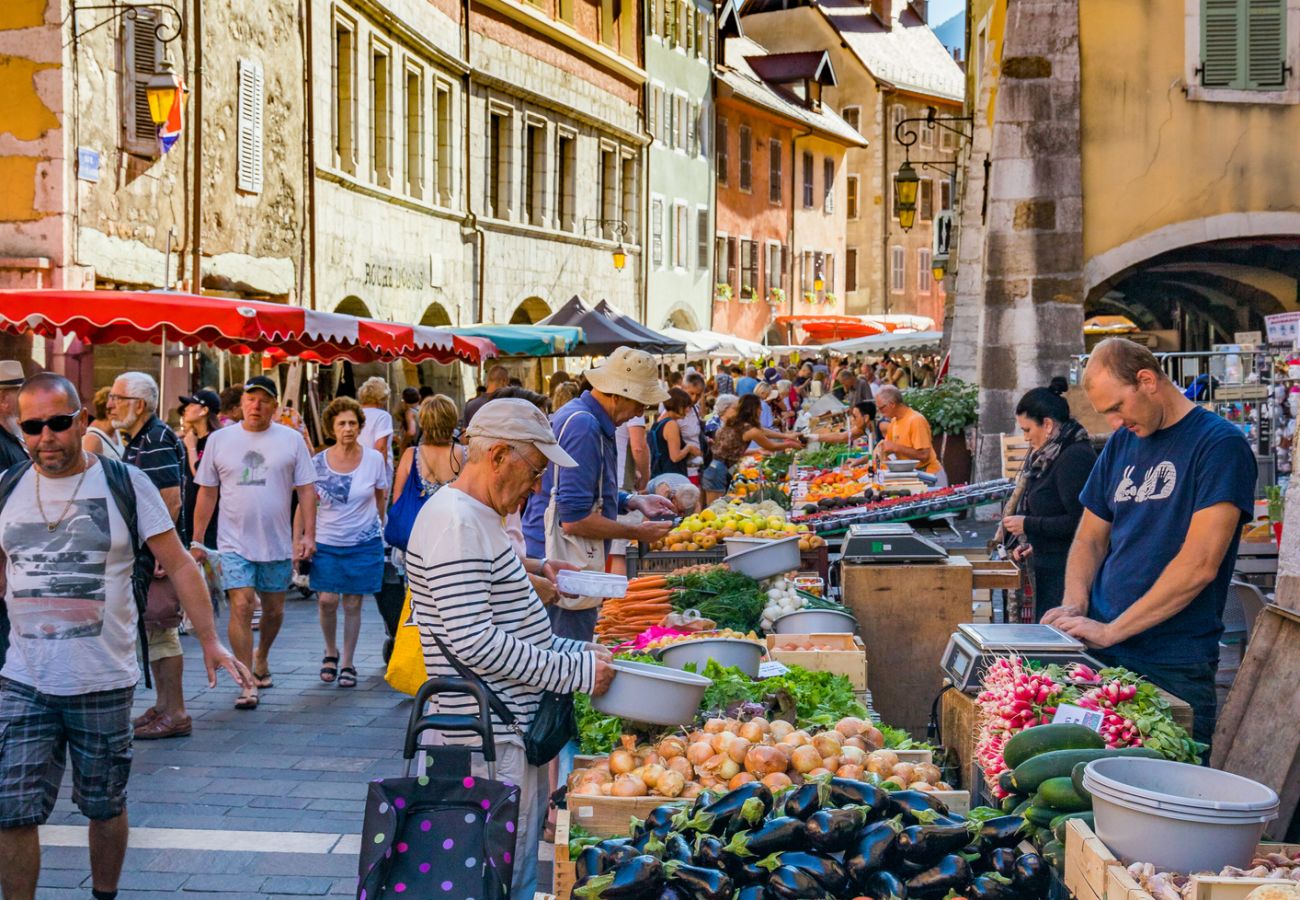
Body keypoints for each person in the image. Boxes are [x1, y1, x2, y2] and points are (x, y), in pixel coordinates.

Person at [0, 373, 248, 900]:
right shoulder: (7, 488)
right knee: (11, 809)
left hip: (103, 679)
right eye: (34, 426)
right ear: (21, 429)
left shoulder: (123, 483)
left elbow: (179, 564)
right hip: (24, 679)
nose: (47, 436)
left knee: (104, 804)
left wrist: (210, 640)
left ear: (82, 421)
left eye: (59, 423)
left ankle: (104, 895)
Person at [407, 399, 613, 900]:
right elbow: (474, 640)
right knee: (497, 879)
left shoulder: (474, 517)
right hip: (488, 745)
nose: (538, 487)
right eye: (536, 470)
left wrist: (579, 654)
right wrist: (576, 672)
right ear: (498, 455)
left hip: (500, 736)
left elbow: (508, 628)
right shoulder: (458, 522)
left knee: (503, 873)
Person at [1042, 338, 1255, 749]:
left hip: (1172, 659)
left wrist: (1111, 631)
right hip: (1103, 653)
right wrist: (1075, 605)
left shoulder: (1219, 445)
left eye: (1118, 407)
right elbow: (1089, 537)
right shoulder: (1124, 443)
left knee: (1172, 794)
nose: (1115, 423)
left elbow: (1199, 565)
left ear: (1146, 380)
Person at [521, 348, 677, 641]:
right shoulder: (585, 426)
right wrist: (636, 532)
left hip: (559, 561)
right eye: (640, 403)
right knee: (566, 659)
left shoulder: (591, 420)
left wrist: (632, 500)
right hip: (559, 564)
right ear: (617, 394)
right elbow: (574, 519)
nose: (641, 413)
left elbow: (586, 491)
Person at [190, 375, 317, 710]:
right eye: (250, 399)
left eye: (263, 400)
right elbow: (207, 490)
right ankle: (247, 681)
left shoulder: (291, 440)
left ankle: (262, 656)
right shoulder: (221, 440)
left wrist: (308, 535)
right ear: (241, 404)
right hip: (233, 542)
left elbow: (306, 489)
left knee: (274, 610)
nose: (255, 405)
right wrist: (197, 539)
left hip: (276, 544)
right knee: (243, 604)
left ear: (275, 406)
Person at [109, 372, 192, 740]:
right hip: (150, 552)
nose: (109, 404)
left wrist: (161, 550)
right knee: (156, 631)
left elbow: (170, 499)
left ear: (138, 405)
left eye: (116, 397)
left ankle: (175, 712)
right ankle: (163, 705)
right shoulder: (144, 437)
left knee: (162, 630)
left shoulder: (156, 439)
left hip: (156, 555)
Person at [302, 397, 386, 690]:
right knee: (326, 600)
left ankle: (348, 661)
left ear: (360, 426)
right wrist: (304, 537)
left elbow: (380, 498)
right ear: (332, 428)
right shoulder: (317, 463)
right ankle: (330, 651)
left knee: (353, 603)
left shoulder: (374, 459)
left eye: (353, 423)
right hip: (327, 541)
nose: (348, 428)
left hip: (363, 542)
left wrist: (381, 528)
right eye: (342, 424)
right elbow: (306, 503)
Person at [996, 378, 1096, 621]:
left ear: (1048, 425)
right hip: (1050, 566)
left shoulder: (1074, 458)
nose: (1026, 438)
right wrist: (1033, 544)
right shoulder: (1048, 457)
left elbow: (1081, 523)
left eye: (1028, 430)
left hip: (1067, 577)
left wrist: (1027, 524)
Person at [391, 394, 463, 511]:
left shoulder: (411, 454)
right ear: (453, 420)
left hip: (419, 523)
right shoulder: (466, 453)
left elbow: (398, 498)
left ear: (423, 422)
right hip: (455, 523)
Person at [874, 385, 946, 485]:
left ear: (892, 404)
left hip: (929, 476)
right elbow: (886, 449)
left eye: (881, 408)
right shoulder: (894, 422)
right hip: (913, 476)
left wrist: (896, 448)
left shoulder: (916, 420)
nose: (880, 412)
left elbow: (924, 455)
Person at [179, 390, 222, 549]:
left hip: (209, 520)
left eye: (191, 404)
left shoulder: (215, 439)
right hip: (189, 514)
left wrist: (191, 448)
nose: (186, 409)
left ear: (204, 410)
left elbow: (202, 476)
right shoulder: (194, 439)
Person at [649, 388, 699, 479]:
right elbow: (675, 457)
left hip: (658, 475)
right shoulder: (671, 425)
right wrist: (689, 448)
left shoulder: (657, 423)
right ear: (678, 405)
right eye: (686, 406)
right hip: (672, 477)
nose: (688, 410)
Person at [701, 393, 740, 503]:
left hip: (722, 469)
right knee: (715, 505)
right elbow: (722, 450)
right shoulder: (714, 425)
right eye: (735, 408)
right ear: (725, 408)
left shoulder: (726, 423)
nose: (738, 411)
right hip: (714, 470)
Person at [357, 376, 394, 476]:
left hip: (355, 465)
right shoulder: (383, 416)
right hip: (374, 469)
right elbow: (381, 447)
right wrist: (381, 474)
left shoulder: (355, 414)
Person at [82, 386, 124, 460]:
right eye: (121, 407)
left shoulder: (116, 430)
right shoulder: (92, 439)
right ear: (108, 411)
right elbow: (89, 470)